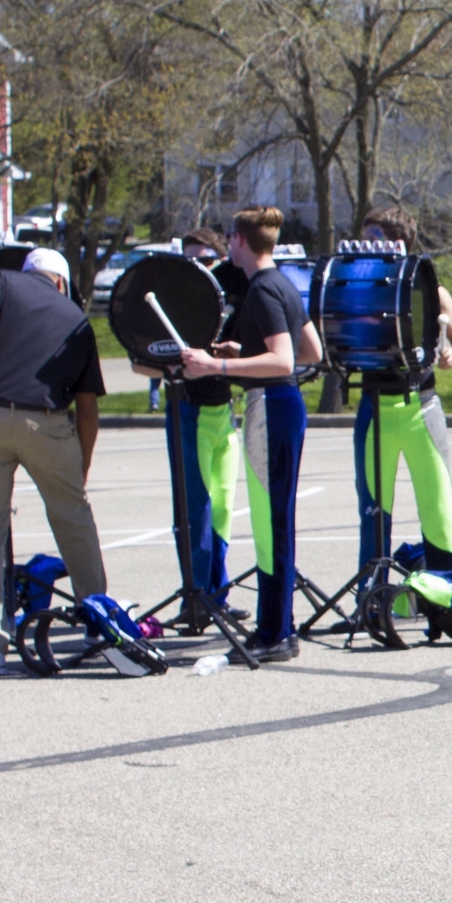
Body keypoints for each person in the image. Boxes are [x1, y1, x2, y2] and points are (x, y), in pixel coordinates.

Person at [0, 248, 111, 675]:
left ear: (29, 271)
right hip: (49, 424)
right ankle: (97, 622)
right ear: (60, 280)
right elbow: (88, 410)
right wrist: (81, 466)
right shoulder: (76, 316)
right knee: (74, 519)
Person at [180, 206, 318, 661]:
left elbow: (284, 360)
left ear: (239, 241)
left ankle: (273, 632)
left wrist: (216, 365)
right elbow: (311, 350)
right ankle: (283, 626)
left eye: (229, 239)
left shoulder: (260, 290)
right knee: (275, 520)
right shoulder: (282, 283)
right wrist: (245, 351)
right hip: (284, 405)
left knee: (269, 524)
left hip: (270, 405)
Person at [350, 207, 452, 573]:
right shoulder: (361, 291)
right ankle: (370, 599)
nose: (367, 247)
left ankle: (446, 594)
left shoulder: (431, 290)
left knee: (437, 506)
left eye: (374, 238)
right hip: (376, 409)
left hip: (421, 406)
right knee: (373, 512)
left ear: (398, 243)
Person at [133, 228, 242, 627]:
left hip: (224, 413)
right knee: (195, 510)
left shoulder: (226, 305)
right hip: (188, 411)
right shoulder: (172, 308)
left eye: (208, 260)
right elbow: (138, 362)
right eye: (192, 260)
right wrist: (171, 367)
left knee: (225, 508)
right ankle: (195, 598)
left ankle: (219, 594)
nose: (201, 267)